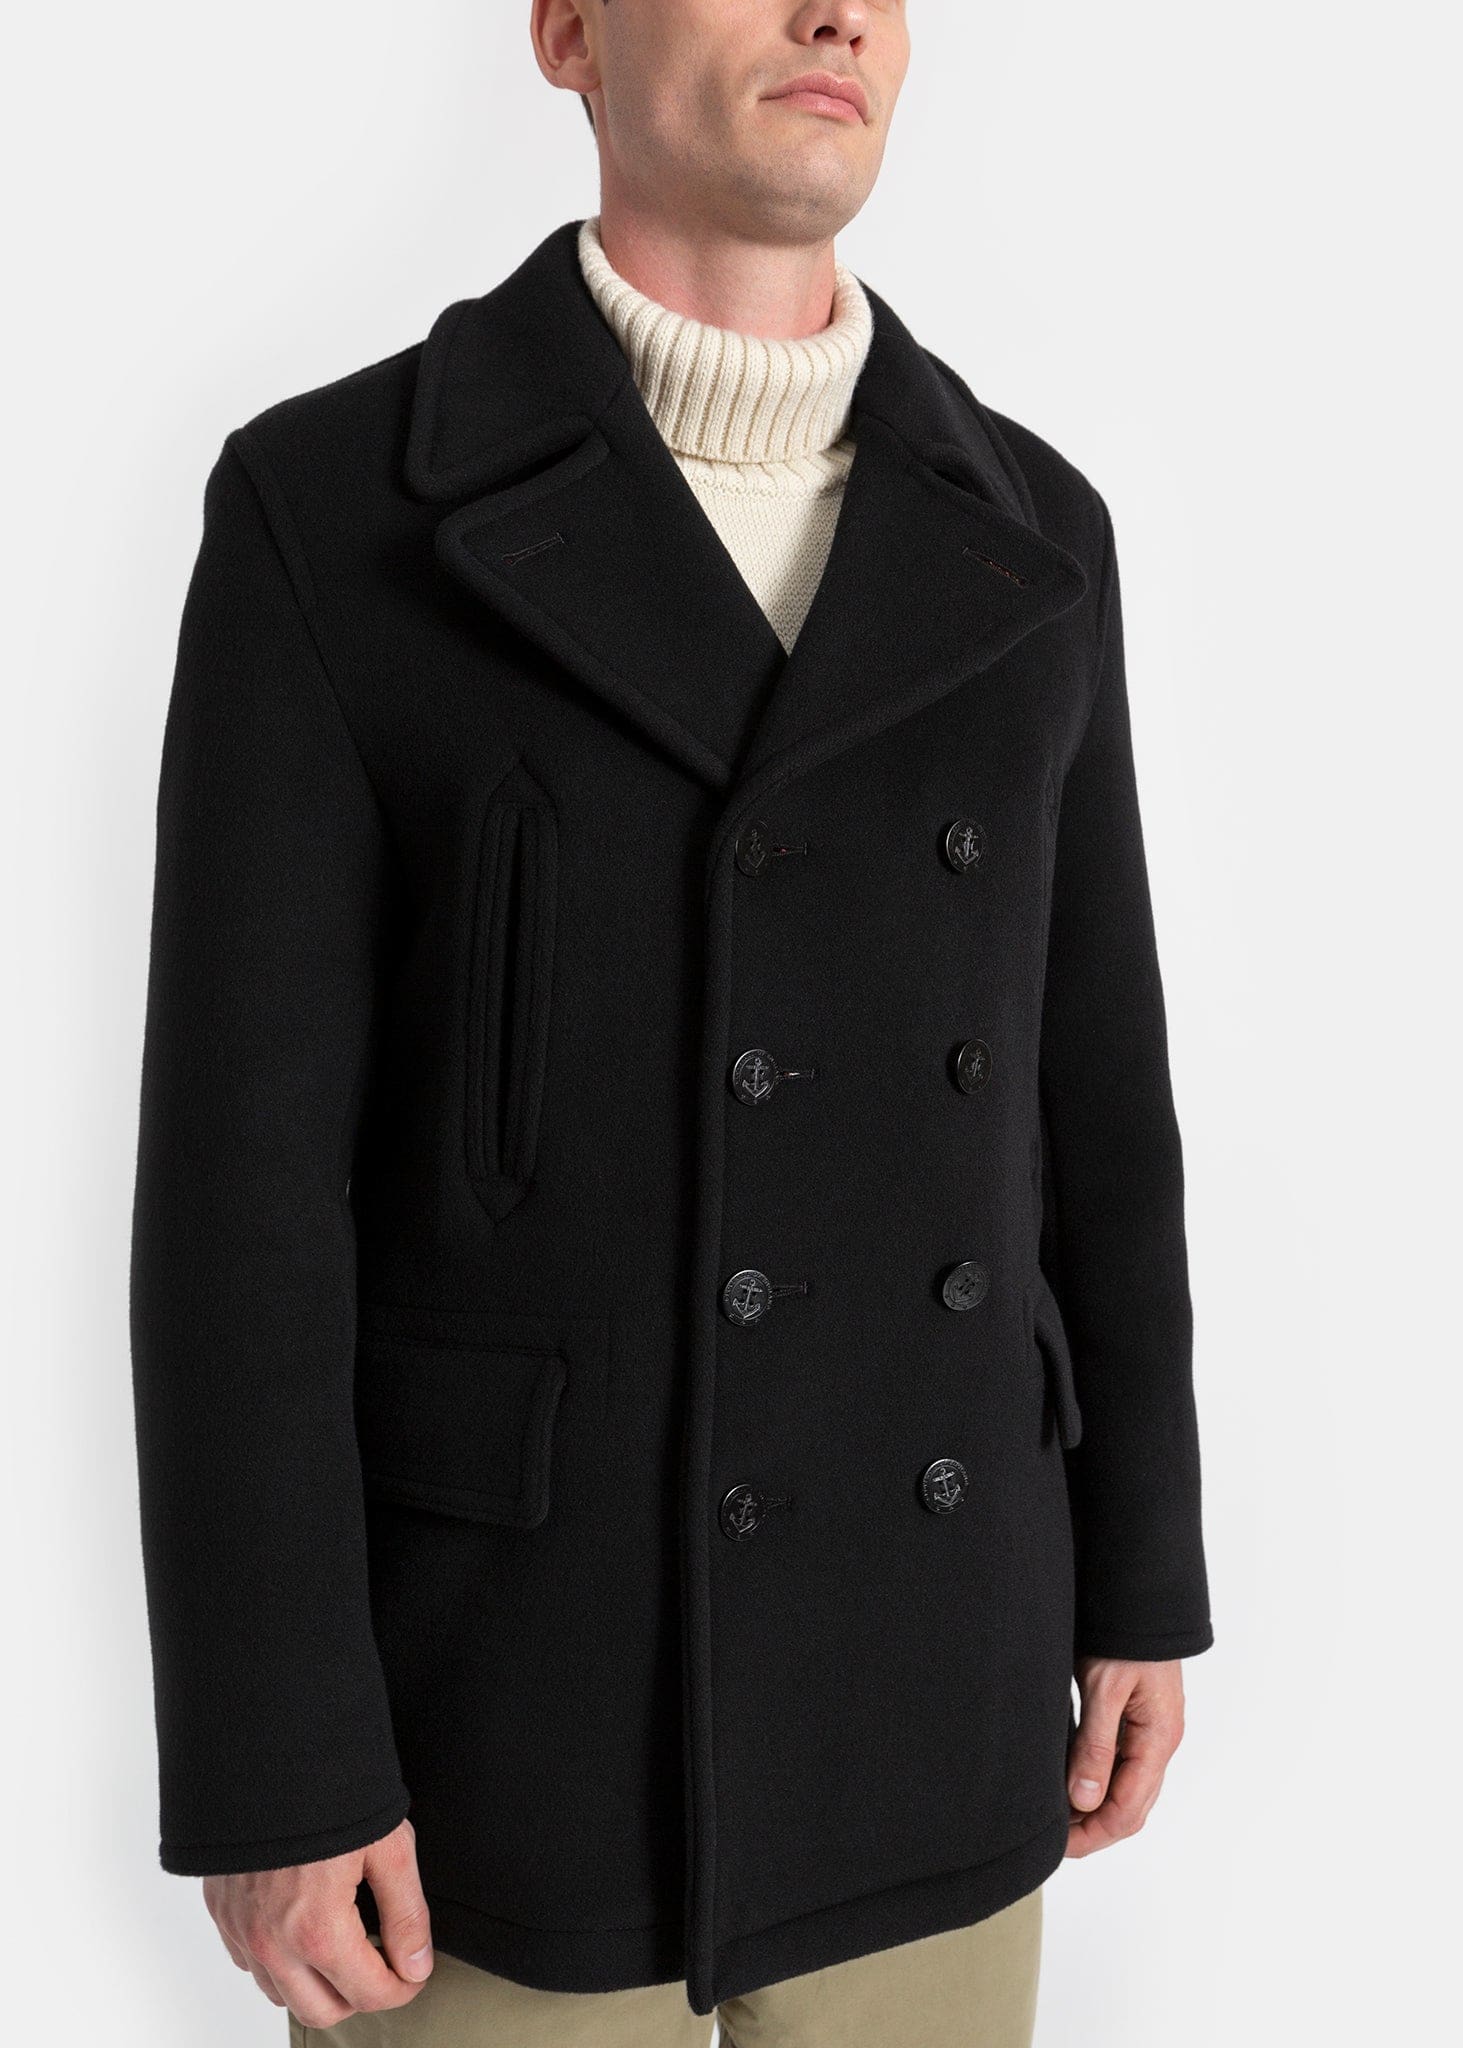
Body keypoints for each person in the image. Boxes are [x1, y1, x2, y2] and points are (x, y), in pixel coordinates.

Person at [127, 2, 1214, 2042]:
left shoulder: (1035, 530)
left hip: (936, 1662)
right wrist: (278, 1756)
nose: (835, 13)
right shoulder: (329, 510)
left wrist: (1144, 1574)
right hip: (504, 1717)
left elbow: (1100, 1102)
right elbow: (241, 1194)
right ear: (569, 33)